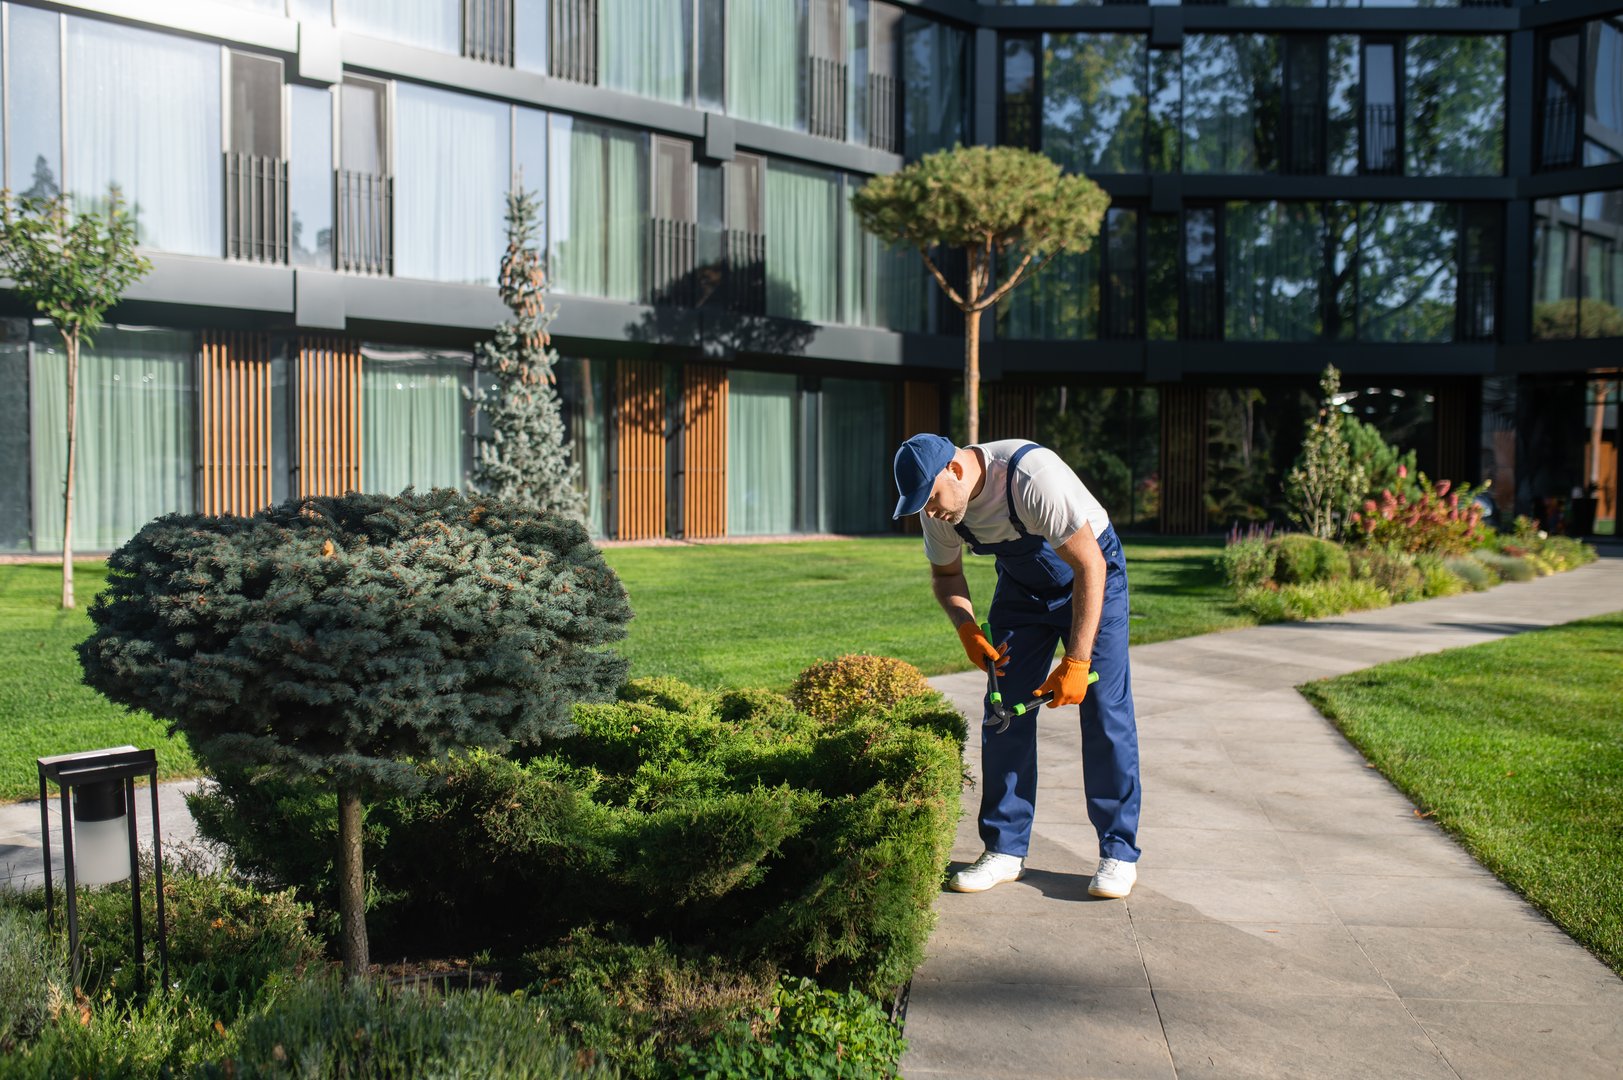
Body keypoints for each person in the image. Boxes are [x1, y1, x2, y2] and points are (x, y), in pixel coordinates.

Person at [891, 433, 1142, 898]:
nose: (930, 512)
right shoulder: (943, 508)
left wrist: (1077, 660)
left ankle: (1118, 853)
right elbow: (947, 576)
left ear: (956, 471)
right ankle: (1005, 849)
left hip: (1092, 577)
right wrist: (967, 627)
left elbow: (1089, 565)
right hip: (1023, 591)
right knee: (1002, 709)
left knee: (1104, 708)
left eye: (931, 500)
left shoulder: (1031, 476)